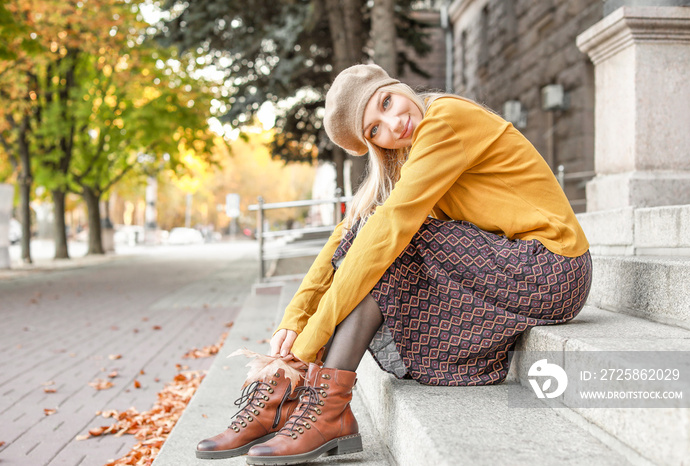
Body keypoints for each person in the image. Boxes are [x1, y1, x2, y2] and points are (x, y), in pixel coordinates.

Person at [196, 64, 592, 465]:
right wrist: (294, 318)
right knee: (370, 233)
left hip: (552, 269)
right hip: (512, 267)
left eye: (387, 102)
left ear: (398, 86)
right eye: (375, 129)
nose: (394, 123)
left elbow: (389, 230)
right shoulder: (411, 152)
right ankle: (287, 395)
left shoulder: (446, 118)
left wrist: (309, 341)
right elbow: (348, 232)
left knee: (392, 241)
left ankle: (320, 404)